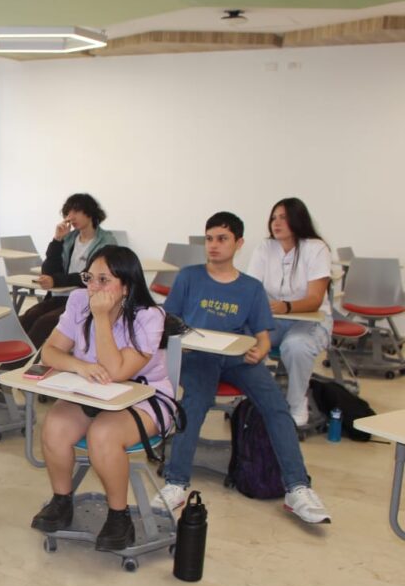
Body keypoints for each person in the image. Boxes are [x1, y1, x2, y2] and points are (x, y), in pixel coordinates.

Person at [154, 212, 331, 524]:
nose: (214, 245)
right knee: (194, 404)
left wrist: (261, 350)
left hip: (238, 358)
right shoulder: (188, 276)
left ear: (239, 243)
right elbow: (166, 323)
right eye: (209, 238)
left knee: (276, 407)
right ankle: (176, 483)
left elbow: (262, 336)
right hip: (198, 356)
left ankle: (297, 487)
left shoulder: (250, 287)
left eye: (222, 239)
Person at [29, 246, 174, 550]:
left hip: (143, 396)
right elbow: (51, 350)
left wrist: (102, 318)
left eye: (103, 280)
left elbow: (117, 370)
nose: (92, 287)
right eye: (89, 278)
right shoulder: (79, 300)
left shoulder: (150, 316)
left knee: (103, 434)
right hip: (93, 391)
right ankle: (61, 501)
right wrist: (81, 365)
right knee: (54, 424)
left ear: (127, 285)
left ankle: (118, 517)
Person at [247, 198, 332, 427]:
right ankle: (260, 399)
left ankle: (297, 404)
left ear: (298, 219)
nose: (276, 223)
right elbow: (251, 287)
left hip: (310, 321)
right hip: (274, 320)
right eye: (274, 217)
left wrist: (287, 306)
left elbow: (315, 299)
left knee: (295, 346)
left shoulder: (316, 248)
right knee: (245, 340)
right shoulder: (265, 247)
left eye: (283, 217)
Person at [20, 193, 117, 352]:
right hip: (60, 296)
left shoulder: (106, 241)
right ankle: (9, 363)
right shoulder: (69, 238)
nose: (70, 217)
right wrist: (57, 240)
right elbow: (49, 270)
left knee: (44, 322)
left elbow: (90, 276)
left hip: (86, 299)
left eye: (76, 211)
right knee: (28, 316)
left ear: (90, 212)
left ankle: (16, 367)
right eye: (67, 213)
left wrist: (56, 281)